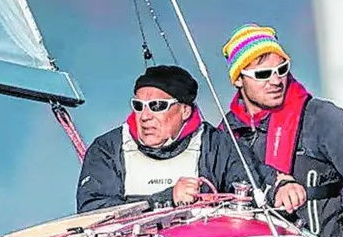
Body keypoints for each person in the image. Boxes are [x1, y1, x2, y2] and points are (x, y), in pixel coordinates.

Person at [220, 24, 343, 237]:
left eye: (282, 70)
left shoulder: (321, 118)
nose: (276, 80)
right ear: (238, 79)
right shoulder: (226, 134)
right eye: (263, 74)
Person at [76, 64, 306, 213]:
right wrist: (166, 198)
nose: (145, 116)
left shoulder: (216, 145)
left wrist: (282, 187)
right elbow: (93, 211)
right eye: (139, 106)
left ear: (185, 111)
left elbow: (253, 180)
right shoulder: (107, 149)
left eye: (157, 106)